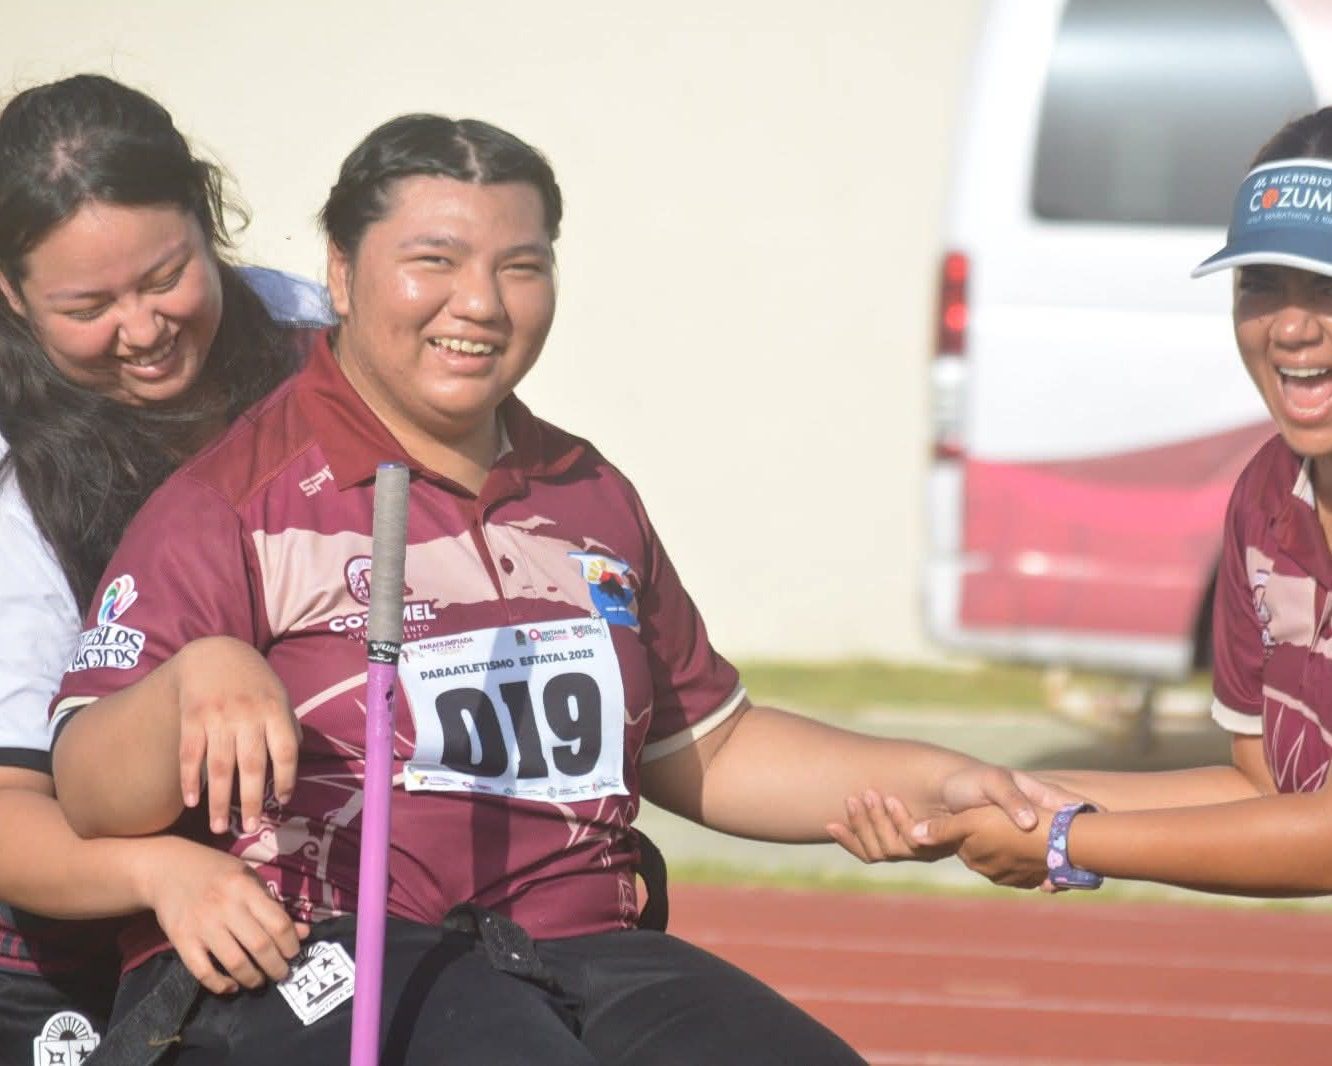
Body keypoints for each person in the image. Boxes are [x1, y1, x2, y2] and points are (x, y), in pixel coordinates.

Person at [48, 111, 1080, 1065]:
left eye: (522, 266)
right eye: (434, 261)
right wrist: (197, 675)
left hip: (582, 948)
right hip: (325, 952)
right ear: (343, 273)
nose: (481, 303)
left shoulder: (588, 491)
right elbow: (88, 789)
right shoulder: (235, 497)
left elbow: (712, 747)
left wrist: (938, 780)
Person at [831, 106, 1332, 899]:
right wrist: (999, 797)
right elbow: (1267, 792)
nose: (1292, 327)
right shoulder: (1266, 497)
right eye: (1260, 284)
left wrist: (1068, 842)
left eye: (1327, 284)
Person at [0, 73, 328, 1062]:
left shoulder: (325, 347)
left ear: (206, 215)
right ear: (10, 294)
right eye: (88, 306)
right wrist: (164, 876)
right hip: (84, 928)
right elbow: (11, 812)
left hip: (334, 874)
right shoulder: (17, 479)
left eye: (165, 276)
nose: (142, 331)